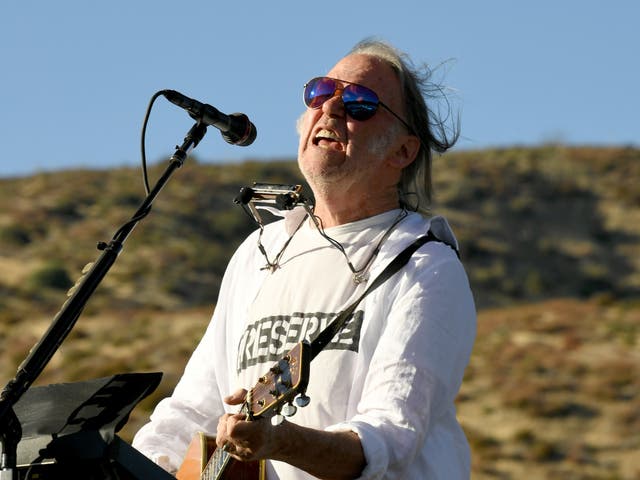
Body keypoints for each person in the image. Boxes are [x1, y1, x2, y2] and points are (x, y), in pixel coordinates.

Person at [132, 38, 476, 479]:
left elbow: (388, 439)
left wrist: (280, 442)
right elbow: (190, 411)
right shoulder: (261, 251)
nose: (330, 109)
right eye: (320, 92)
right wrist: (142, 468)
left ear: (402, 151)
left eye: (358, 103)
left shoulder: (423, 265)